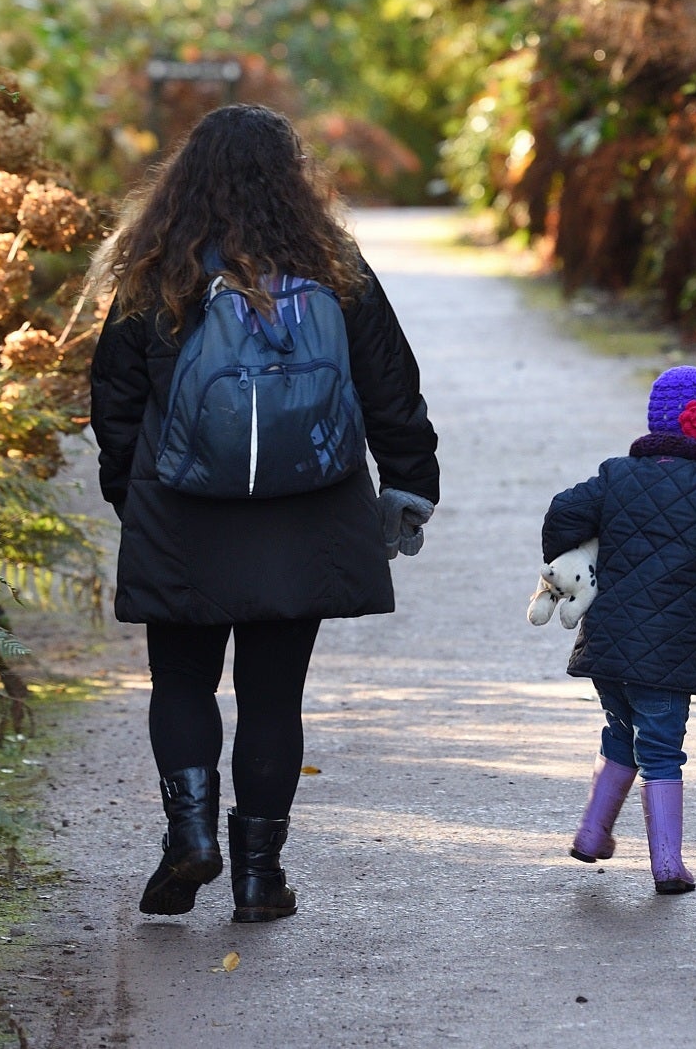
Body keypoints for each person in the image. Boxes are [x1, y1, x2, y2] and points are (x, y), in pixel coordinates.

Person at [88, 104, 440, 923]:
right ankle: (257, 879)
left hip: (181, 505)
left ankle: (191, 840)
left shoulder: (160, 267)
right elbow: (391, 384)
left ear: (185, 178)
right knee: (273, 698)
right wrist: (410, 481)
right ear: (294, 180)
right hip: (307, 506)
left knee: (181, 680)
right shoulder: (333, 264)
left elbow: (115, 396)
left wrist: (128, 492)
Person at [542, 365, 696, 894]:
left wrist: (573, 554)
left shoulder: (616, 476)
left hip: (605, 644)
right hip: (667, 656)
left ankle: (592, 834)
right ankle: (667, 864)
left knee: (619, 734)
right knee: (660, 749)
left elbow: (564, 509)